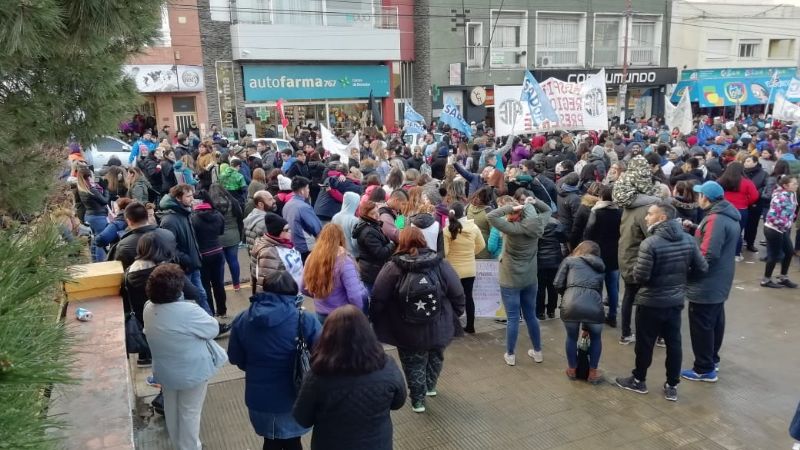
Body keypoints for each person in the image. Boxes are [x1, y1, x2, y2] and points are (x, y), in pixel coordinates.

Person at [615, 202, 707, 402]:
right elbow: (702, 268)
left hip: (650, 302)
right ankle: (672, 385)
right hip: (674, 302)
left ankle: (639, 380)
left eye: (650, 214)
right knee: (674, 344)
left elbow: (641, 276)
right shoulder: (689, 240)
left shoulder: (650, 243)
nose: (646, 217)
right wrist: (680, 280)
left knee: (644, 344)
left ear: (662, 218)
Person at [370, 227, 465, 413]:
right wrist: (456, 313)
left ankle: (418, 401)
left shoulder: (393, 267)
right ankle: (430, 387)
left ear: (402, 242)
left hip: (406, 329)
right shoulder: (440, 264)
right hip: (439, 324)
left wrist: (376, 319)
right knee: (436, 356)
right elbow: (457, 292)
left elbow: (378, 297)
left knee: (413, 363)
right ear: (423, 240)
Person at [227, 270, 321, 450]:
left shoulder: (242, 319)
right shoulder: (305, 320)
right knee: (293, 442)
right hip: (294, 398)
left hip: (258, 400)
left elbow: (235, 358)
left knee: (270, 442)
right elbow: (323, 356)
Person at [292, 305, 406, 450]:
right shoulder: (387, 365)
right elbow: (398, 402)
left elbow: (302, 418)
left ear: (328, 336)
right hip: (377, 443)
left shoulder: (317, 375)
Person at [143, 264, 226, 450]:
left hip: (165, 371)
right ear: (176, 289)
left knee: (172, 408)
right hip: (192, 372)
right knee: (190, 411)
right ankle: (190, 447)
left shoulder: (148, 308)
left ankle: (178, 444)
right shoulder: (189, 311)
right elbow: (213, 328)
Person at [681, 181, 740, 383]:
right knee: (715, 321)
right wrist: (696, 228)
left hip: (707, 283)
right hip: (720, 280)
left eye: (700, 195)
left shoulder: (715, 219)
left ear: (706, 198)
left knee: (702, 325)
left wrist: (690, 271)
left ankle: (704, 368)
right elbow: (714, 239)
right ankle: (712, 360)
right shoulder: (726, 216)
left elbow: (708, 254)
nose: (698, 198)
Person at [487, 196, 551, 366]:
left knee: (513, 318)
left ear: (517, 214)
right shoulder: (538, 225)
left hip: (510, 278)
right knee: (531, 316)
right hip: (530, 277)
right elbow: (548, 210)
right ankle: (537, 352)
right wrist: (534, 202)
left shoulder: (512, 229)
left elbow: (491, 216)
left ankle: (510, 354)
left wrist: (509, 208)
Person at [612, 155, 661, 345]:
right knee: (645, 299)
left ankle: (625, 332)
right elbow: (652, 238)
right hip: (639, 260)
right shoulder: (646, 210)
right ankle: (650, 334)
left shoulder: (627, 207)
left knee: (629, 297)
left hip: (625, 256)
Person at [554, 241, 606, 384]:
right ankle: (593, 373)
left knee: (571, 337)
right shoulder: (600, 265)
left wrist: (566, 295)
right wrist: (586, 327)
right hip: (594, 307)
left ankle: (572, 369)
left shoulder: (569, 261)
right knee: (596, 338)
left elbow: (557, 283)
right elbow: (599, 291)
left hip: (570, 304)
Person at [302, 224, 367, 322]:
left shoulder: (311, 257)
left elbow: (303, 287)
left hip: (321, 315)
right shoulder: (344, 260)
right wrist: (359, 314)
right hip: (342, 316)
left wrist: (319, 297)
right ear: (341, 238)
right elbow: (355, 295)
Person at [443, 202, 486, 334]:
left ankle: (453, 327)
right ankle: (470, 326)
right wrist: (470, 253)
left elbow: (445, 252)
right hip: (470, 269)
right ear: (464, 212)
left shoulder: (447, 230)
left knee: (451, 298)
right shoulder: (474, 227)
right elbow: (482, 245)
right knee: (469, 297)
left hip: (453, 270)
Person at [583, 184, 622, 327]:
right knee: (613, 287)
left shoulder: (596, 212)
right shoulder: (620, 212)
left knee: (597, 286)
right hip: (614, 253)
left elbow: (588, 233)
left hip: (597, 254)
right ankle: (612, 315)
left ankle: (597, 313)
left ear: (601, 197)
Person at [190, 191, 228, 318]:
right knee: (219, 283)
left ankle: (210, 312)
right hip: (218, 251)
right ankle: (222, 310)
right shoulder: (218, 215)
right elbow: (221, 232)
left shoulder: (193, 218)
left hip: (203, 254)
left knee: (205, 285)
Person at [761, 175, 799, 288]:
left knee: (789, 251)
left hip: (782, 229)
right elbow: (772, 217)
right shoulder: (780, 197)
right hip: (773, 229)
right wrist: (785, 223)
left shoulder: (791, 195)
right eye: (794, 184)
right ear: (785, 186)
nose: (797, 185)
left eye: (796, 183)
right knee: (774, 255)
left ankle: (783, 277)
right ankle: (765, 280)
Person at [717, 162, 759, 261]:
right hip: (741, 210)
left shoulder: (720, 180)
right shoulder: (747, 182)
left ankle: (721, 251)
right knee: (737, 232)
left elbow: (715, 192)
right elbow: (755, 196)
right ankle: (736, 254)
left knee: (722, 231)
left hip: (723, 208)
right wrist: (747, 202)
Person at [353, 200, 396, 293]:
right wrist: (392, 244)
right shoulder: (369, 231)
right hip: (372, 271)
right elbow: (381, 253)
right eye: (373, 213)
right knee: (373, 298)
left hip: (372, 268)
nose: (377, 215)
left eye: (377, 212)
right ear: (365, 214)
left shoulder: (372, 225)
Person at [209, 184, 244, 292]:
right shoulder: (233, 202)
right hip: (233, 235)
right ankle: (236, 285)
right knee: (233, 261)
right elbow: (240, 217)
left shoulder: (211, 205)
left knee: (220, 264)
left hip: (217, 238)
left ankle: (220, 286)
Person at [282, 176, 322, 263]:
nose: (309, 190)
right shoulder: (304, 207)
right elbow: (317, 228)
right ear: (302, 191)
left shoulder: (287, 204)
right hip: (305, 248)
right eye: (307, 188)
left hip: (291, 245)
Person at [75, 167, 110, 262]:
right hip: (98, 217)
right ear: (89, 177)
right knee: (100, 242)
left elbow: (79, 204)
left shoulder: (81, 189)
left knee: (94, 241)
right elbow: (104, 201)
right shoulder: (91, 190)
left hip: (89, 216)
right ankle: (100, 262)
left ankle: (94, 261)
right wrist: (106, 189)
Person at [536, 215, 567, 320]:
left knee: (540, 288)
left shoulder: (536, 223)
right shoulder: (556, 223)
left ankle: (540, 312)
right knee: (552, 287)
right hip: (555, 259)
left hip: (540, 260)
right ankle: (551, 311)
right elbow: (563, 238)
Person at [330, 191, 360, 258]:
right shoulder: (354, 220)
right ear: (355, 203)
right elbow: (355, 243)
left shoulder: (335, 216)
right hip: (351, 255)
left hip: (337, 252)